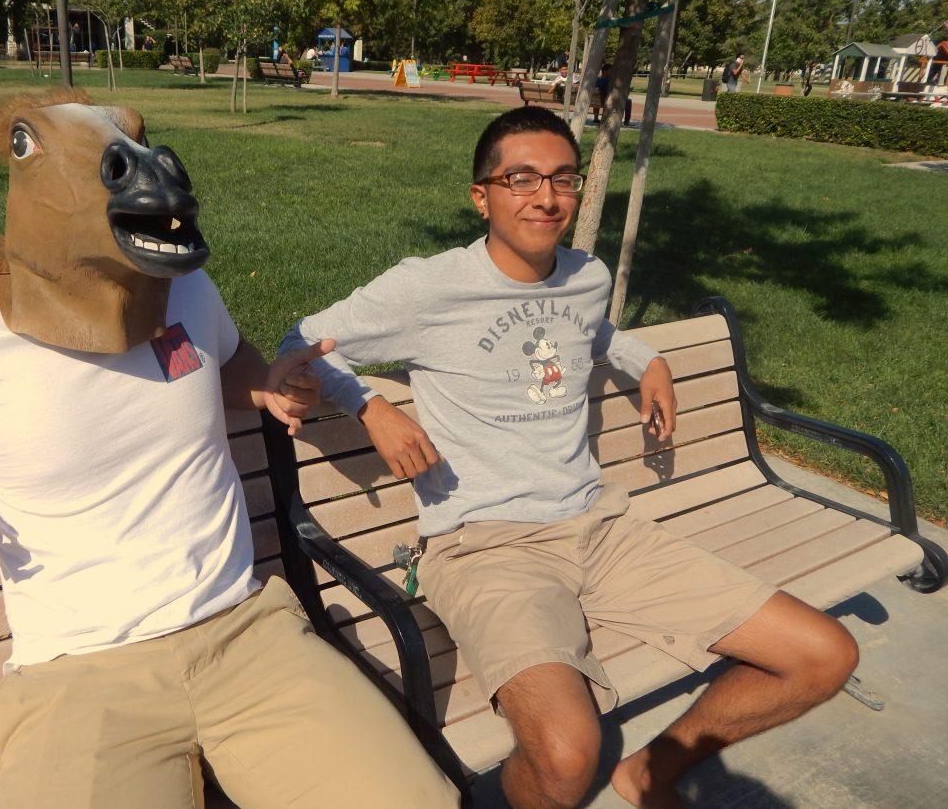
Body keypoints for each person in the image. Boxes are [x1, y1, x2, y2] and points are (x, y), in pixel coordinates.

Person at [0, 91, 461, 809]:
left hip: (243, 633)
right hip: (77, 673)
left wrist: (267, 388)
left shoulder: (182, 291)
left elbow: (226, 360)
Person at [280, 105, 859, 809]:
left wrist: (648, 361)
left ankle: (651, 774)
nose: (545, 197)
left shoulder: (583, 275)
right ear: (481, 195)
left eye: (562, 179)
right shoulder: (429, 287)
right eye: (520, 179)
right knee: (563, 758)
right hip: (484, 546)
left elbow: (597, 327)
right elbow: (302, 340)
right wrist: (371, 408)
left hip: (600, 526)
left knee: (824, 655)